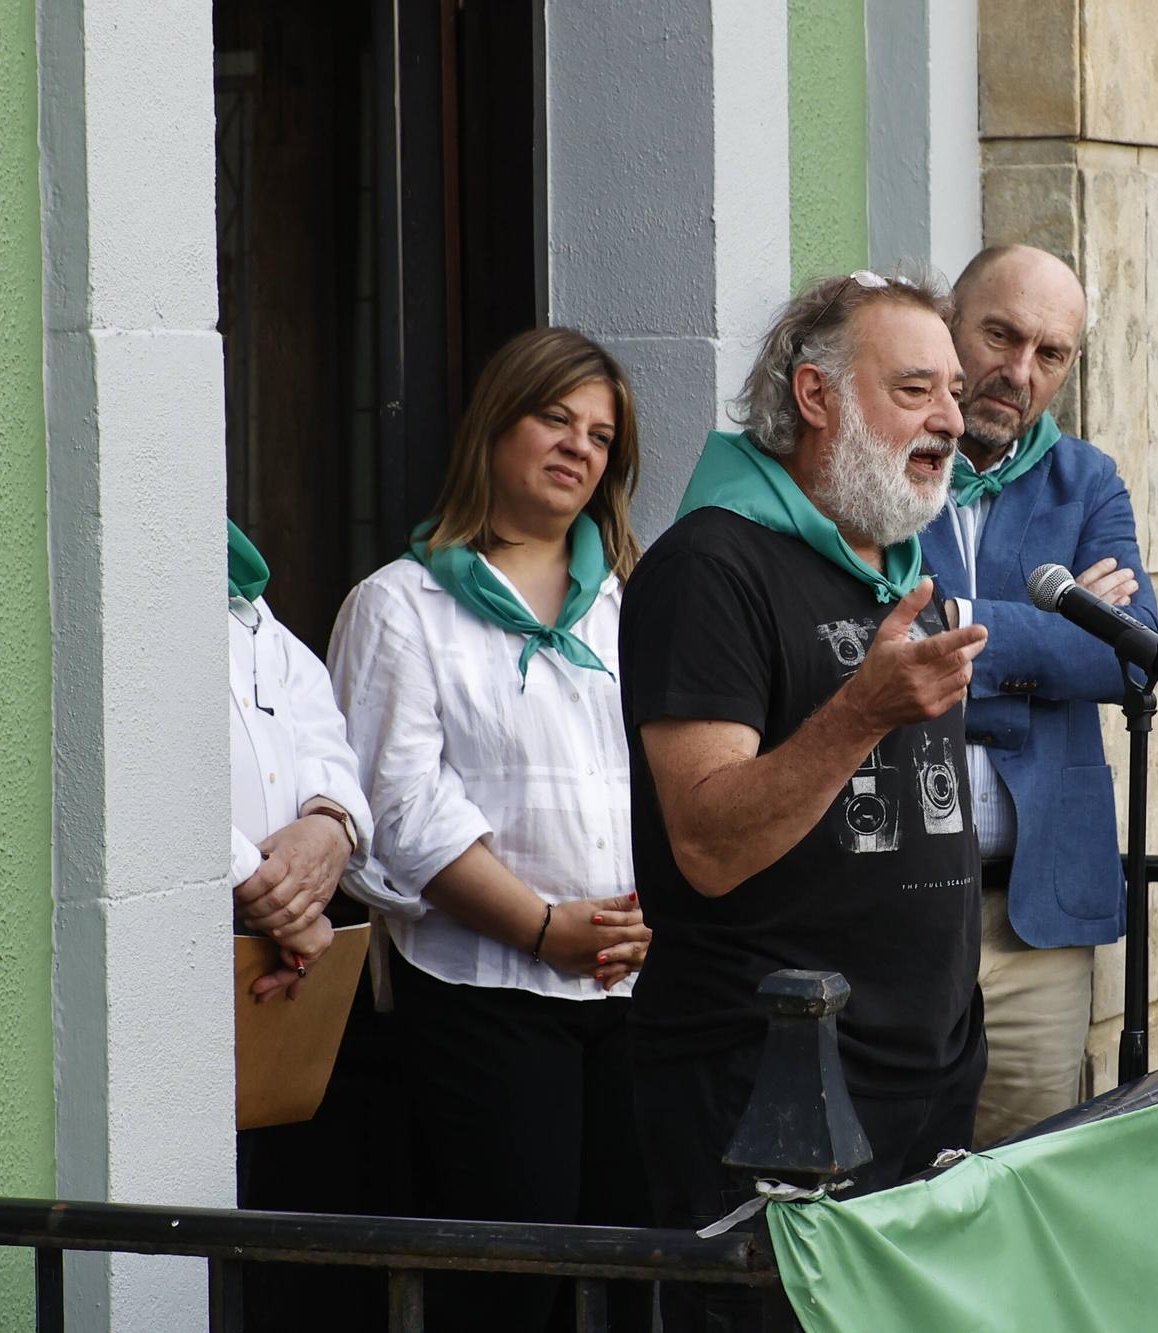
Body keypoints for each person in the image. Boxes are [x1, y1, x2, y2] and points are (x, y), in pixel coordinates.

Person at [622, 270, 986, 1331]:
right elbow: (706, 842)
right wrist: (860, 710)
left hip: (923, 1083)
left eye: (953, 392)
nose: (952, 421)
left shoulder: (902, 566)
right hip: (768, 1098)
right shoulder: (709, 566)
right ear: (816, 396)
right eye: (917, 388)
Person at [329, 327, 654, 1332]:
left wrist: (659, 922)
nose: (577, 446)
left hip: (639, 989)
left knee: (641, 1272)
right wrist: (547, 928)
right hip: (488, 998)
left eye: (599, 434)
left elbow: (679, 775)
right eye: (552, 417)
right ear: (492, 427)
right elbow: (402, 808)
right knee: (511, 1292)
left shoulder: (636, 600)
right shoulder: (403, 606)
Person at [919, 245, 1158, 1145]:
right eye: (1001, 335)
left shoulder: (1085, 479)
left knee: (1024, 1178)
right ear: (951, 321)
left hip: (1038, 913)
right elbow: (877, 647)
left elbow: (1135, 661)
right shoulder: (889, 465)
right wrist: (1050, 631)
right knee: (896, 1178)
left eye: (1050, 354)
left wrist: (967, 627)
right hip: (900, 895)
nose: (1019, 373)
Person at [227, 518, 373, 1004]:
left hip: (266, 944)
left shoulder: (242, 588)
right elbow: (126, 762)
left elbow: (313, 714)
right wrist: (270, 887)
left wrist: (330, 824)